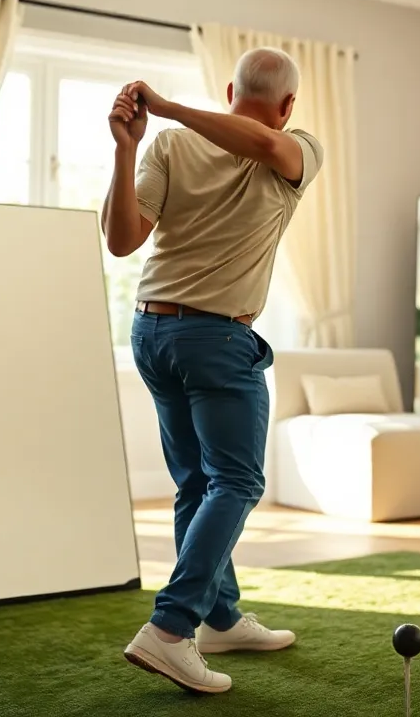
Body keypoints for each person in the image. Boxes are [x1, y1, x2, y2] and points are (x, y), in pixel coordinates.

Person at [100, 47, 323, 695]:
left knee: (197, 481)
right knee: (236, 480)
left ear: (229, 89)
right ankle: (172, 629)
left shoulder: (192, 142)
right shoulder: (294, 143)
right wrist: (127, 145)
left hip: (153, 332)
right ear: (289, 105)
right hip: (214, 339)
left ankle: (219, 617)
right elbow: (121, 240)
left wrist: (159, 117)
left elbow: (257, 141)